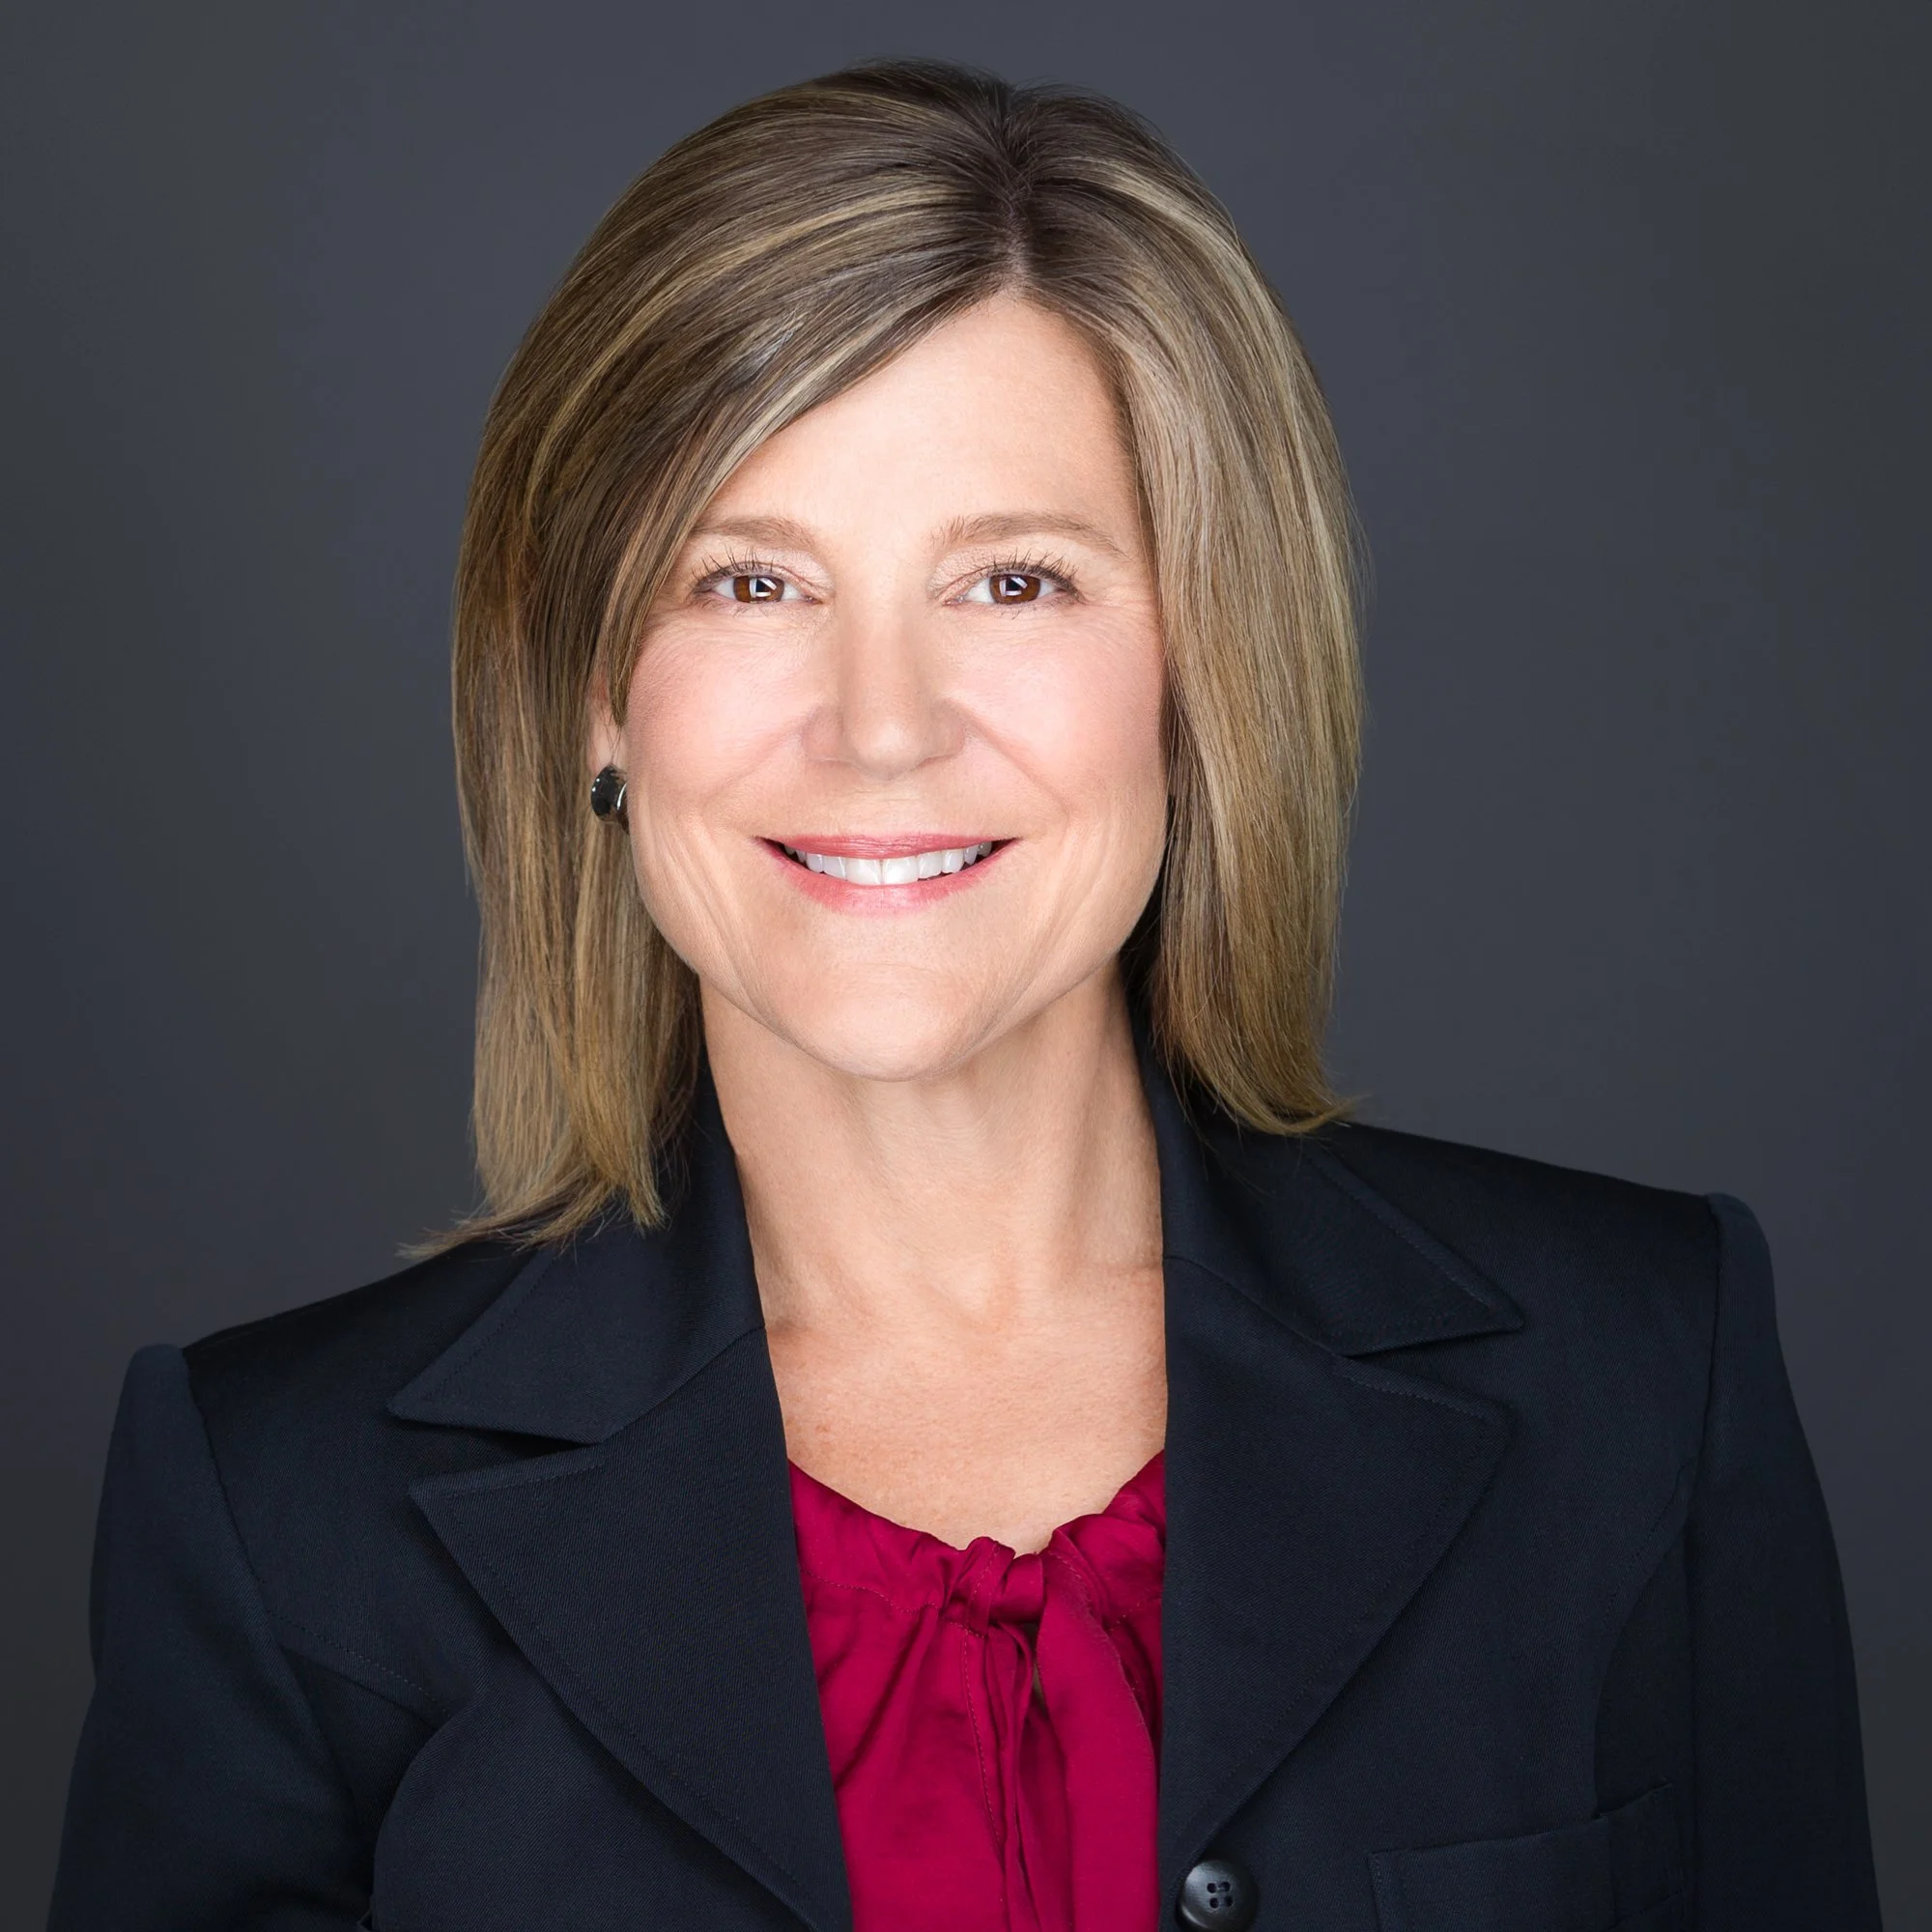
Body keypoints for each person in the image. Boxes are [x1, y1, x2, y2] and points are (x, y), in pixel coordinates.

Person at [48, 59, 1878, 1932]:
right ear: (597, 693)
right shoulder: (278, 1515)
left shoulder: (1640, 1381)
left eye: (1012, 579)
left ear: (1197, 664)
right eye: (750, 584)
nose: (883, 725)